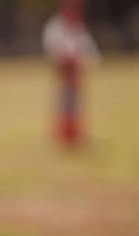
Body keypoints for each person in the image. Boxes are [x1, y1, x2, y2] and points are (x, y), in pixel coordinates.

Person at [42, 0, 100, 146]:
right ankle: (64, 135)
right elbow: (52, 49)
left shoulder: (78, 28)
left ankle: (74, 135)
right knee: (64, 104)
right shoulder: (55, 26)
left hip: (75, 75)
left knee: (74, 105)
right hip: (63, 74)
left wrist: (80, 62)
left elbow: (90, 53)